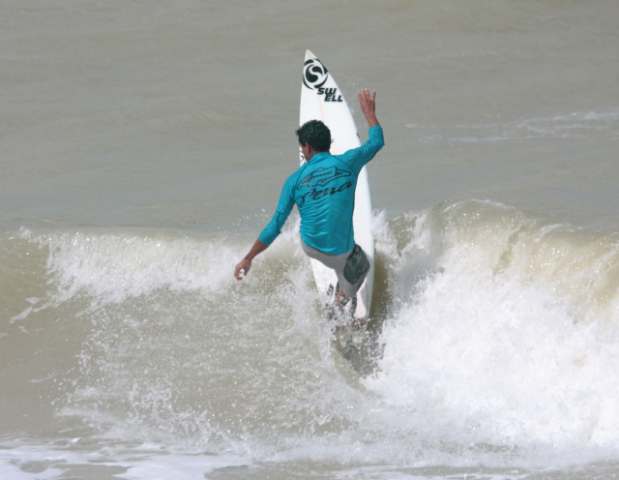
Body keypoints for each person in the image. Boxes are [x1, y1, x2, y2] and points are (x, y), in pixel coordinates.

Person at [234, 89, 384, 312]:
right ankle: (340, 299)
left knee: (330, 241)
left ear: (308, 148)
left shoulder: (293, 181)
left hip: (310, 246)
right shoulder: (348, 163)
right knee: (362, 264)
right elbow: (377, 142)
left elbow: (275, 225)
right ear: (327, 143)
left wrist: (248, 258)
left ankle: (339, 279)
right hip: (341, 251)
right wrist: (369, 113)